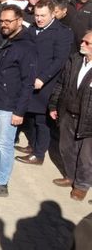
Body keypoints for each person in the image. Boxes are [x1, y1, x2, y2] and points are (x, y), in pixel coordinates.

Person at [0, 4, 37, 198]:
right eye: (2, 21)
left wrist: (19, 111)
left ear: (19, 21)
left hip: (9, 105)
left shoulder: (26, 46)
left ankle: (2, 183)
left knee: (5, 143)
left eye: (8, 21)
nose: (3, 24)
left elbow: (28, 82)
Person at [15, 0, 72, 165]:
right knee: (31, 116)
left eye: (43, 16)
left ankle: (38, 154)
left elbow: (59, 60)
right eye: (37, 15)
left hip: (47, 83)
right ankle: (32, 145)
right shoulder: (32, 28)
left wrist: (43, 78)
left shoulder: (62, 32)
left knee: (42, 120)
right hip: (29, 79)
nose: (39, 19)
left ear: (53, 14)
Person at [49, 30, 92, 201]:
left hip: (88, 119)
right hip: (68, 112)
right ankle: (71, 176)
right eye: (83, 41)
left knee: (86, 155)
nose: (82, 44)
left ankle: (82, 185)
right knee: (66, 148)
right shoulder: (74, 60)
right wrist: (54, 105)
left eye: (87, 43)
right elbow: (61, 84)